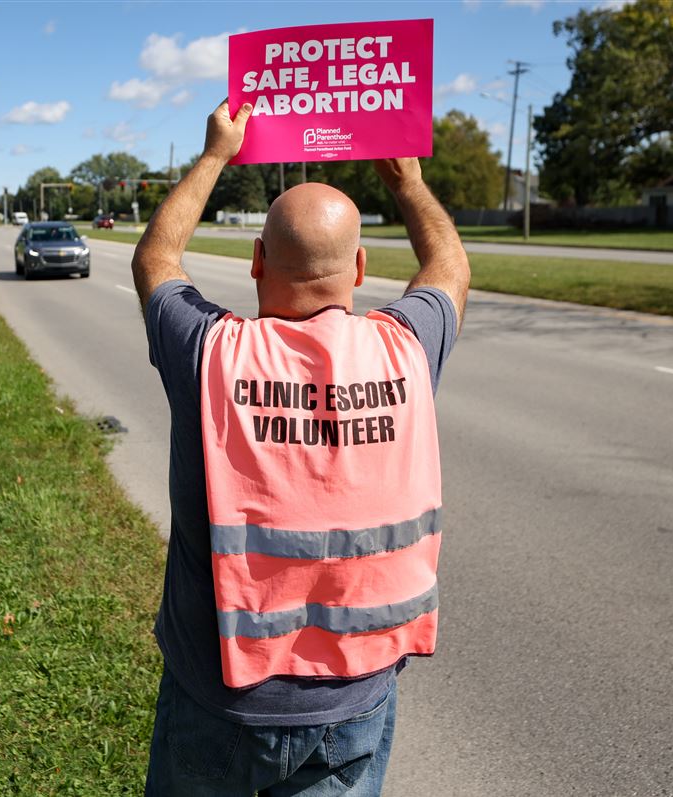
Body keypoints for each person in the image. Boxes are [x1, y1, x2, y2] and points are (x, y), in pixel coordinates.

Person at [133, 99, 469, 796]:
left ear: (257, 261)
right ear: (360, 267)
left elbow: (157, 257)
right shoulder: (406, 348)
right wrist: (406, 182)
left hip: (217, 698)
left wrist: (214, 156)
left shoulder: (209, 354)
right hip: (354, 707)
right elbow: (450, 265)